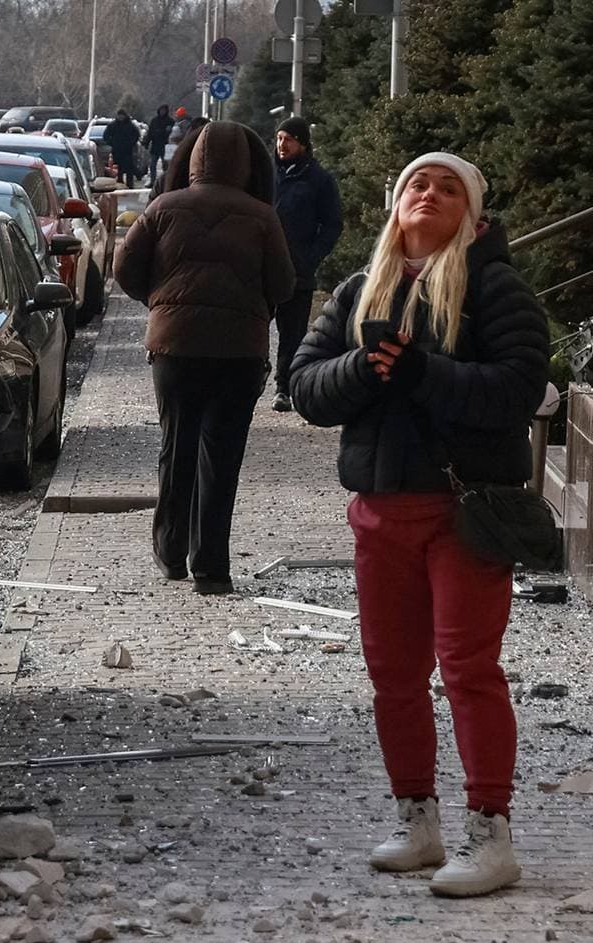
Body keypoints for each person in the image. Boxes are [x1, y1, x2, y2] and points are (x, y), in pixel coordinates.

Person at [287, 153, 549, 898]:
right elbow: (304, 387)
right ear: (395, 205)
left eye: (447, 188)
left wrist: (422, 373)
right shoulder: (355, 292)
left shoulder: (495, 287)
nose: (428, 195)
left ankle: (491, 837)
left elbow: (519, 388)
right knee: (393, 678)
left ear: (472, 212)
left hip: (463, 515)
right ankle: (417, 824)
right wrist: (365, 371)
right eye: (415, 185)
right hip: (379, 513)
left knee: (469, 673)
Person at [114, 121, 294, 596]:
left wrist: (161, 303)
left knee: (177, 446)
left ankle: (170, 552)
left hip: (175, 349)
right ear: (249, 164)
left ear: (191, 159)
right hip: (239, 352)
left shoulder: (162, 209)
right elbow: (283, 285)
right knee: (223, 455)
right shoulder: (261, 216)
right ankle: (211, 567)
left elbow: (124, 270)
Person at [269, 117, 342, 413]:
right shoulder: (266, 175)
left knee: (292, 332)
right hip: (262, 267)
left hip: (297, 269)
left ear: (302, 143)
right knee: (254, 325)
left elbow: (332, 224)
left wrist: (311, 256)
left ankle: (284, 386)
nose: (282, 145)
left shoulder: (319, 180)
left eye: (288, 139)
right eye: (278, 138)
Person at [103, 108, 143, 188]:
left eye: (122, 116)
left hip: (127, 150)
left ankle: (130, 184)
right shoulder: (113, 125)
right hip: (117, 149)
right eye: (119, 116)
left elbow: (136, 135)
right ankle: (119, 182)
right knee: (118, 167)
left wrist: (131, 143)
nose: (120, 117)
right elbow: (106, 136)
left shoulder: (130, 125)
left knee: (129, 168)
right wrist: (112, 143)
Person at [146, 105, 171, 183]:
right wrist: (146, 142)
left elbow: (173, 134)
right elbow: (150, 133)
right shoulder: (154, 121)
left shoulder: (170, 121)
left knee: (166, 166)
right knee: (152, 165)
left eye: (164, 110)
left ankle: (166, 181)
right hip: (155, 145)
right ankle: (153, 181)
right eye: (161, 110)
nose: (162, 112)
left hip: (165, 145)